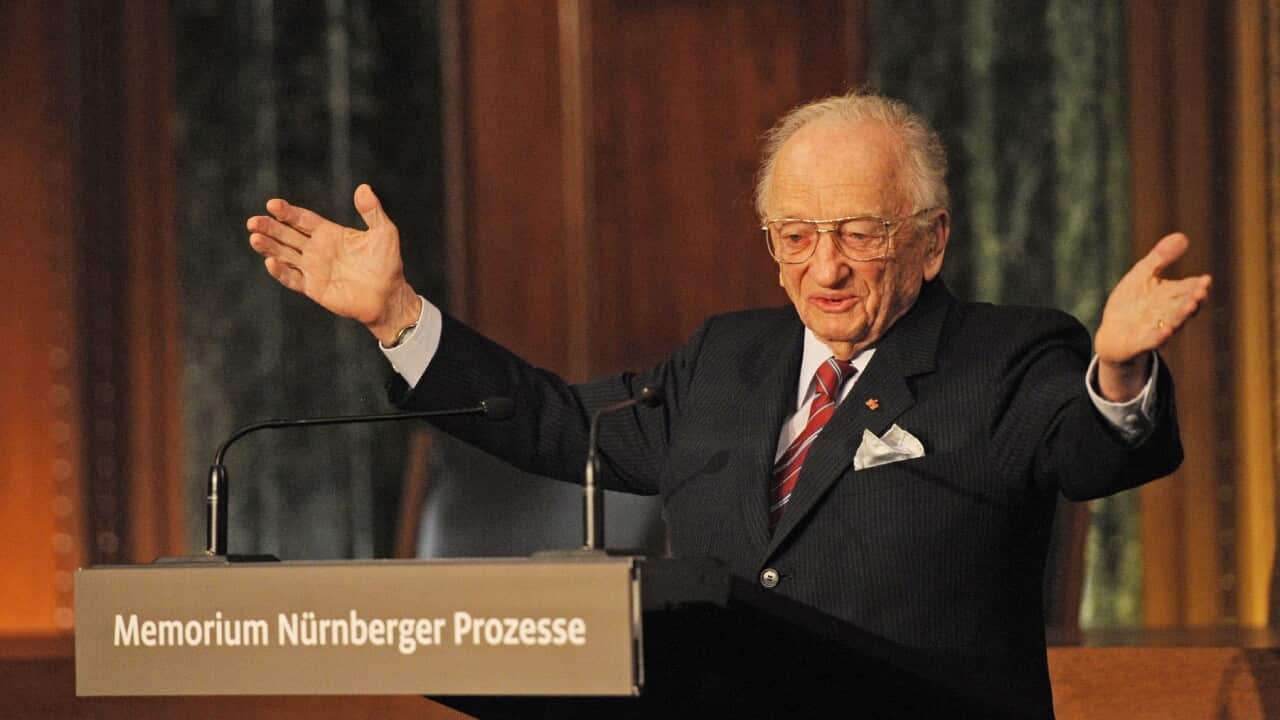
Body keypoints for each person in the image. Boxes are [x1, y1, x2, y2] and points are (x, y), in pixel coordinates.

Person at [246, 91, 1210, 717]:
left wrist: (1118, 371)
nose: (823, 266)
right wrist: (399, 319)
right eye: (794, 234)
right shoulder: (725, 358)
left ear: (931, 240)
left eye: (858, 233)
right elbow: (555, 425)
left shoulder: (1006, 356)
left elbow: (1096, 452)